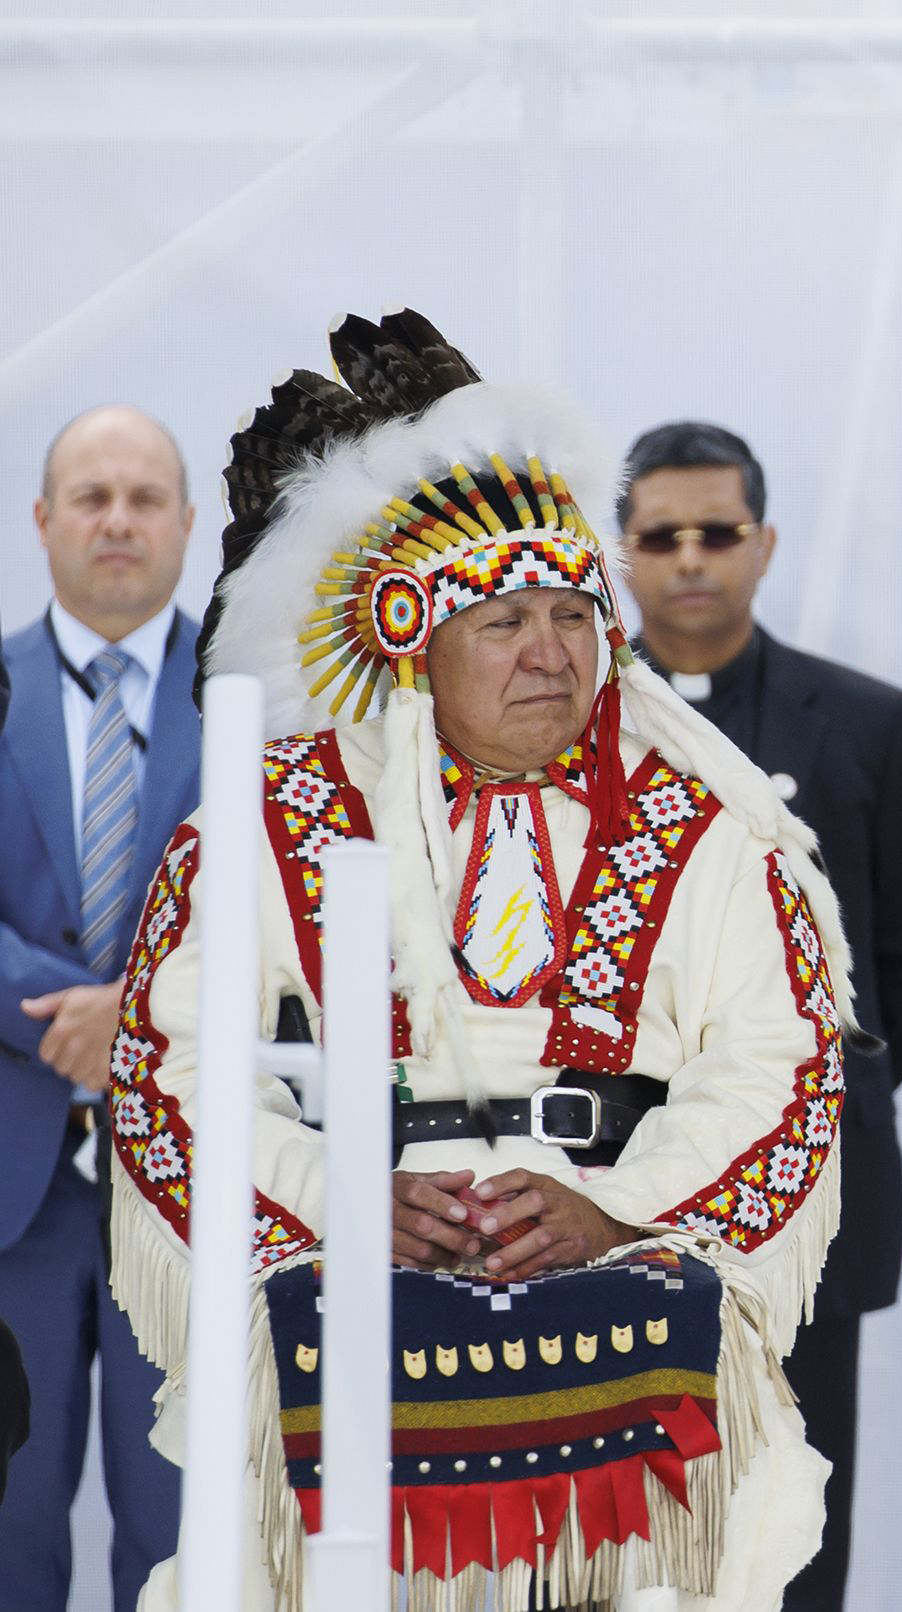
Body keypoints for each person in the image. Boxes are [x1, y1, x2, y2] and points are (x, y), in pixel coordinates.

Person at [109, 312, 842, 1608]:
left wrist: (617, 1210)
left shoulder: (707, 829)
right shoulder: (274, 820)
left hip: (629, 1256)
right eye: (504, 619)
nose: (552, 652)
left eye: (572, 613)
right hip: (346, 1259)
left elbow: (784, 1067)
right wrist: (345, 1204)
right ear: (413, 637)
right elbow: (168, 1071)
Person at [618, 420, 902, 1611]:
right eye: (664, 535)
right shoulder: (569, 725)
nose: (693, 558)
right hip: (614, 1187)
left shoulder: (871, 726)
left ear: (765, 543)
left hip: (812, 1191)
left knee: (795, 1522)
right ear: (623, 551)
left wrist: (803, 1102)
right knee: (620, 1523)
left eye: (719, 531)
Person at [0, 405, 195, 1607]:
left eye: (142, 497)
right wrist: (67, 1007)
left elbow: (296, 915)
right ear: (43, 521)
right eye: (91, 496)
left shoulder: (266, 712)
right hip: (12, 1198)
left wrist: (146, 1006)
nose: (117, 519)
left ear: (185, 524)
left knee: (178, 1537)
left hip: (189, 1196)